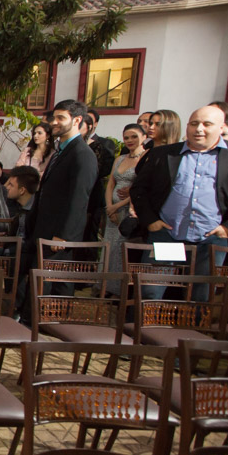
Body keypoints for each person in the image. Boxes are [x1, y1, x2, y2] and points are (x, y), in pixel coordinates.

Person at [130, 104, 228, 299]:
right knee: (150, 292)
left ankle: (194, 320)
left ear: (221, 127)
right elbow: (139, 189)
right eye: (194, 123)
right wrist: (150, 220)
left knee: (201, 296)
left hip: (211, 239)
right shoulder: (163, 153)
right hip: (166, 236)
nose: (199, 129)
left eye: (207, 124)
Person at [19, 100, 100, 316]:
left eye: (61, 118)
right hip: (45, 227)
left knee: (49, 281)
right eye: (54, 117)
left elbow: (78, 199)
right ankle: (41, 320)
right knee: (46, 279)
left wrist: (63, 236)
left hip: (59, 233)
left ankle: (37, 322)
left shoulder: (82, 154)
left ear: (77, 120)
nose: (54, 122)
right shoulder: (61, 150)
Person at [101, 124, 147, 292]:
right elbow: (110, 183)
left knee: (121, 250)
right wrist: (109, 206)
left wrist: (118, 206)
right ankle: (105, 287)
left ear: (144, 137)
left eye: (134, 136)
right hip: (112, 212)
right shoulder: (120, 159)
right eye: (126, 137)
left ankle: (119, 290)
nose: (129, 140)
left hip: (128, 210)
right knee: (109, 247)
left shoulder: (146, 158)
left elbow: (141, 188)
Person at [81, 113, 115, 244]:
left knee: (89, 232)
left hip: (93, 194)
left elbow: (104, 169)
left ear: (93, 124)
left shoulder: (104, 143)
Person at [2, 165, 40, 242]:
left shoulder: (37, 211)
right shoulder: (11, 203)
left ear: (22, 190)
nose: (7, 187)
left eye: (11, 185)